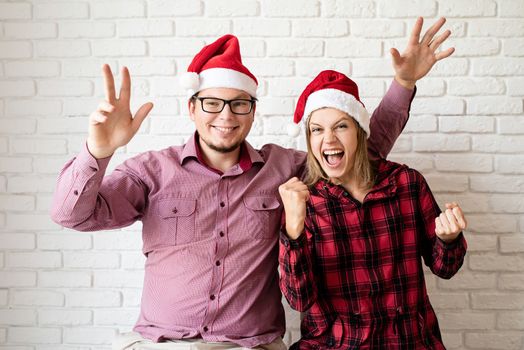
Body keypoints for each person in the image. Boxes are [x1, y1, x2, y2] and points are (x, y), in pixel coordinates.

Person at [50, 17, 454, 350]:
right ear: (192, 108)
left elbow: (353, 155)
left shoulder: (285, 169)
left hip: (251, 347)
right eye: (212, 102)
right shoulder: (152, 171)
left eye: (238, 103)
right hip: (164, 344)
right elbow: (73, 215)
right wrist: (97, 151)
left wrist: (402, 86)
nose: (225, 115)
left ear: (252, 111)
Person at [278, 69, 467, 349]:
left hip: (409, 342)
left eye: (340, 126)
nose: (328, 139)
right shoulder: (305, 203)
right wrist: (293, 232)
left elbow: (444, 268)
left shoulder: (406, 184)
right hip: (335, 344)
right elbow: (299, 300)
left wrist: (448, 239)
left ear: (360, 131)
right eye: (317, 129)